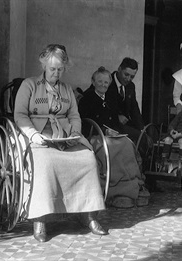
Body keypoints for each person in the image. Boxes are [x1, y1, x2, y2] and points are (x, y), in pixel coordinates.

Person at [14, 44, 108, 242]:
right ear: (44, 66)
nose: (56, 73)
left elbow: (74, 115)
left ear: (64, 68)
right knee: (45, 162)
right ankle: (40, 219)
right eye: (52, 69)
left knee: (87, 159)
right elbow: (20, 114)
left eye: (60, 69)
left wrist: (75, 132)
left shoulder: (66, 89)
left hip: (64, 136)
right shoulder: (29, 85)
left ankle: (88, 214)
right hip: (38, 136)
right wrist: (31, 134)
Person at [78, 66, 149, 208]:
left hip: (110, 134)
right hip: (94, 135)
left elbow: (114, 118)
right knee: (110, 149)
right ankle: (112, 192)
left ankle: (130, 188)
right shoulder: (87, 98)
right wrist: (103, 130)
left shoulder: (110, 97)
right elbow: (84, 122)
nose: (103, 85)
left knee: (127, 144)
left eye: (106, 82)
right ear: (93, 82)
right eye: (100, 81)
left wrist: (114, 130)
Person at [106, 57, 144, 143]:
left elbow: (134, 109)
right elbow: (99, 103)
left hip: (124, 124)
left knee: (144, 135)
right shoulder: (106, 82)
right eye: (126, 74)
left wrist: (142, 129)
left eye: (132, 77)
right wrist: (116, 116)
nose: (128, 79)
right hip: (109, 124)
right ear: (119, 69)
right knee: (136, 135)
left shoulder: (130, 86)